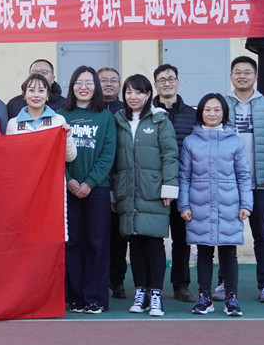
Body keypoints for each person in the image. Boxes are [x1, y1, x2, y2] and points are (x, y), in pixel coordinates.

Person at [218, 56, 264, 304]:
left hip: (260, 183)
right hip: (227, 184)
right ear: (231, 76)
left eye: (247, 72)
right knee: (226, 237)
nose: (242, 76)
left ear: (256, 77)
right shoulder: (221, 104)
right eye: (237, 72)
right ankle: (224, 283)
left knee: (262, 235)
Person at [178, 94, 253, 317]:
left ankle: (232, 298)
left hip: (229, 205)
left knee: (229, 253)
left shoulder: (234, 141)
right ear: (201, 112)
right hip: (199, 205)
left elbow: (243, 175)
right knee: (203, 252)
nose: (212, 113)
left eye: (217, 109)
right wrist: (184, 205)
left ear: (224, 113)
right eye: (208, 109)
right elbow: (184, 176)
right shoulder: (191, 141)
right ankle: (205, 297)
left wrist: (246, 204)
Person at [112, 74, 179, 318]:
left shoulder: (160, 119)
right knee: (135, 242)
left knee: (154, 242)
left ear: (148, 94)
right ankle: (140, 292)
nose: (133, 97)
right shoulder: (118, 120)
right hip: (127, 190)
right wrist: (113, 193)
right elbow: (113, 159)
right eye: (129, 92)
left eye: (139, 92)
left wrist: (169, 187)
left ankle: (156, 294)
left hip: (154, 191)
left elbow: (170, 154)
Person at [60, 66, 116, 315]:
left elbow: (108, 154)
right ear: (72, 86)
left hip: (97, 190)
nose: (83, 87)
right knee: (72, 242)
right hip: (67, 190)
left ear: (96, 87)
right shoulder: (61, 116)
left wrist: (90, 182)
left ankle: (95, 298)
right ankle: (76, 297)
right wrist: (68, 180)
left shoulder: (105, 117)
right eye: (78, 82)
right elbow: (54, 153)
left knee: (97, 243)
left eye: (89, 83)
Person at [151, 64, 197, 304]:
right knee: (154, 238)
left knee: (181, 238)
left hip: (183, 185)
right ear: (155, 85)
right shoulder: (147, 112)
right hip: (153, 185)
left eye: (171, 79)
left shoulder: (192, 114)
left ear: (178, 82)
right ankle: (152, 286)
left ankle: (181, 285)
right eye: (162, 80)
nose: (167, 83)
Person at [98, 66, 126, 299]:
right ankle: (97, 279)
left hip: (121, 181)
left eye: (113, 80)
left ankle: (117, 280)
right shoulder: (91, 110)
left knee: (118, 237)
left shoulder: (126, 111)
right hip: (96, 182)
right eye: (103, 80)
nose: (108, 84)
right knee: (97, 236)